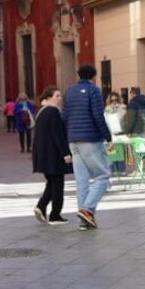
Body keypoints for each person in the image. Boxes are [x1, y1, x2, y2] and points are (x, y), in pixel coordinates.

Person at [63, 65, 113, 230]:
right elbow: (98, 115)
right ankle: (87, 210)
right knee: (103, 176)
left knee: (81, 180)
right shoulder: (94, 91)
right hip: (90, 139)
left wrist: (67, 140)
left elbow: (65, 116)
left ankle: (84, 220)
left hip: (73, 140)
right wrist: (108, 136)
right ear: (94, 76)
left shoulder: (69, 92)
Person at [32, 87, 72, 225]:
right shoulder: (53, 112)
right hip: (54, 155)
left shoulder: (42, 112)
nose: (60, 98)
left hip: (43, 154)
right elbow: (57, 135)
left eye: (60, 95)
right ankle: (55, 214)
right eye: (57, 95)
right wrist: (65, 153)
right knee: (58, 184)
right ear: (48, 97)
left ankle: (41, 207)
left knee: (51, 183)